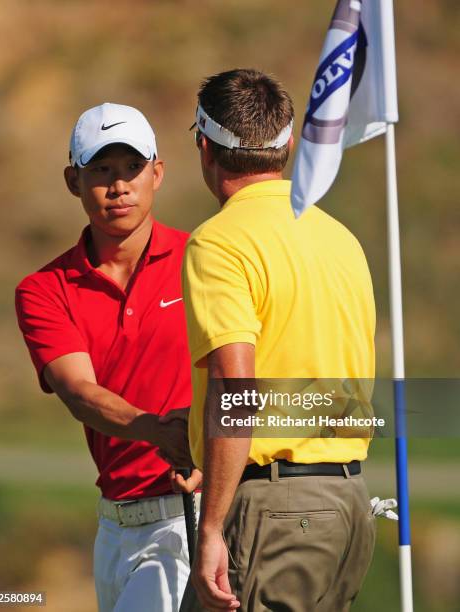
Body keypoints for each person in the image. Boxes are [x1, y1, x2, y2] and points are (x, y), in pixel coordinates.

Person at [180, 69, 377, 611]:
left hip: (275, 509)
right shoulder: (340, 237)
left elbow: (237, 385)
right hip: (349, 506)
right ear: (287, 145)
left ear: (204, 145)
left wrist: (213, 526)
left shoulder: (218, 242)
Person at [15, 102, 200, 612]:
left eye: (132, 169)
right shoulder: (44, 289)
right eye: (101, 170)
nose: (119, 186)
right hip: (112, 529)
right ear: (73, 180)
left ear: (157, 173)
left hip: (186, 516)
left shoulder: (204, 262)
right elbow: (79, 392)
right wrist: (159, 431)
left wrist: (216, 450)